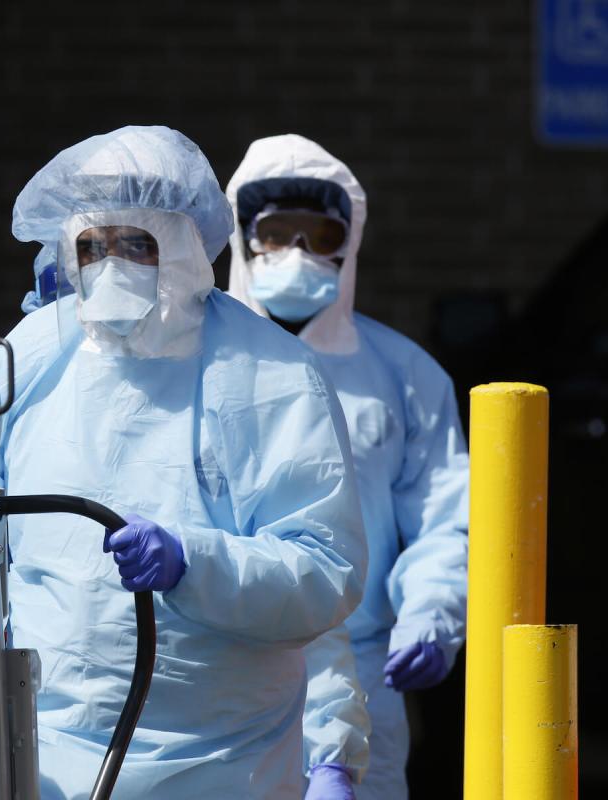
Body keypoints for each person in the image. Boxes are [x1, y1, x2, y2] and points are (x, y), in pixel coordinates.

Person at [0, 126, 369, 799]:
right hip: (45, 759)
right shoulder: (26, 365)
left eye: (137, 243)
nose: (112, 265)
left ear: (190, 245)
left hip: (226, 764)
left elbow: (323, 572)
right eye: (92, 245)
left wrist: (195, 563)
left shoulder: (270, 378)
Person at [225, 134, 470, 800]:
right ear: (242, 236)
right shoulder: (196, 365)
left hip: (364, 674)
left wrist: (432, 613)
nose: (298, 254)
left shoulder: (403, 376)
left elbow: (449, 517)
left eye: (319, 233)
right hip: (221, 672)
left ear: (349, 240)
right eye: (276, 234)